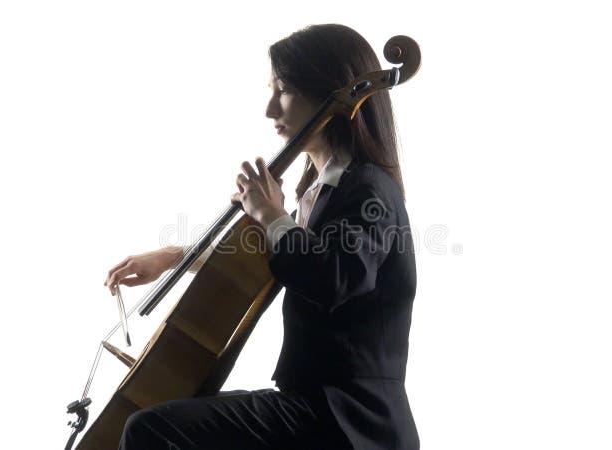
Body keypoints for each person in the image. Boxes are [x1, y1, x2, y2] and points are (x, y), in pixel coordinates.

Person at [104, 23, 419, 449]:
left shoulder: (368, 190)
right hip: (315, 407)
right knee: (174, 415)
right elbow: (269, 255)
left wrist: (271, 213)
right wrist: (171, 257)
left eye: (284, 90)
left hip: (350, 419)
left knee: (152, 430)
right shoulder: (322, 189)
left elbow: (333, 278)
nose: (270, 109)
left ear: (330, 94)